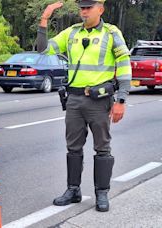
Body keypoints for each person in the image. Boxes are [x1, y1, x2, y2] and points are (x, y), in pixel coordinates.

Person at [37, 0, 132, 212]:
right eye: (82, 8)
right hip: (74, 100)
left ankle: (101, 193)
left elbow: (124, 64)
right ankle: (73, 190)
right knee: (73, 147)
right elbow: (43, 50)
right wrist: (44, 18)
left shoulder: (110, 32)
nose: (84, 11)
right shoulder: (71, 33)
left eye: (89, 7)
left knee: (102, 148)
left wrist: (121, 100)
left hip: (99, 101)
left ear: (101, 9)